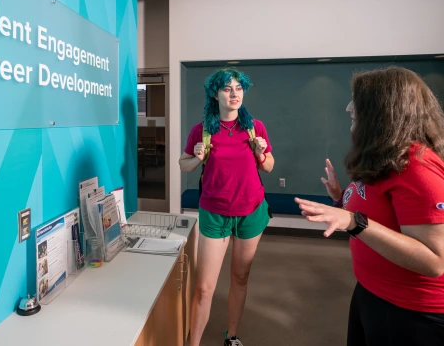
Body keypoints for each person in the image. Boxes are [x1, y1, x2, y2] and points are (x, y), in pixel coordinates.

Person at [296, 67, 444, 345]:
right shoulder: (385, 156)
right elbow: (381, 214)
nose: (348, 106)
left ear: (383, 111)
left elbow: (434, 261)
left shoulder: (419, 169)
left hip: (411, 311)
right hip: (371, 290)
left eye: (357, 101)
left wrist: (353, 221)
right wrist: (340, 198)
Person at [179, 68, 274, 346]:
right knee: (204, 288)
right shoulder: (203, 129)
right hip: (214, 212)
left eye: (238, 88)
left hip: (251, 211)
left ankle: (231, 336)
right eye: (227, 89)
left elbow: (269, 166)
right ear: (215, 94)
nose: (234, 94)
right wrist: (197, 157)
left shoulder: (255, 127)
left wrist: (261, 153)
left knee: (240, 278)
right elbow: (183, 164)